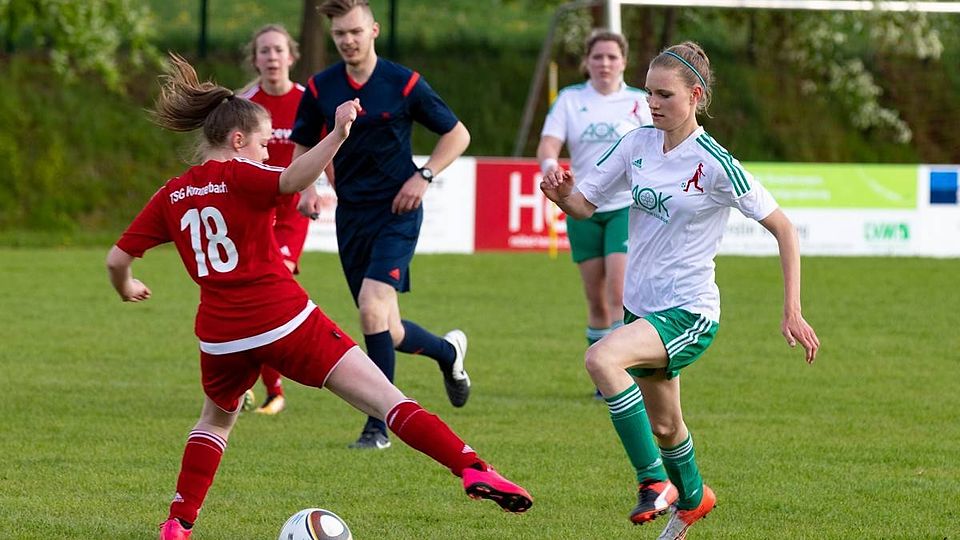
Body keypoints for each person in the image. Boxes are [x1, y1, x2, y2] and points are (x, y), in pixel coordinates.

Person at [106, 53, 533, 540]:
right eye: (264, 144)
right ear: (238, 141)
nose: (267, 153)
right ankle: (471, 467)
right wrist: (339, 132)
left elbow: (117, 260)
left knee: (215, 422)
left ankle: (178, 523)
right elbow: (292, 178)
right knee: (387, 399)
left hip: (221, 337)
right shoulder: (240, 175)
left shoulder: (171, 194)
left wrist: (128, 286)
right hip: (283, 319)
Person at [540, 41, 820, 540]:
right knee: (667, 427)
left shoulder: (715, 164)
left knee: (602, 359)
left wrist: (792, 310)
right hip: (640, 309)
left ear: (695, 96)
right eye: (649, 92)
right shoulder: (636, 144)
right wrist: (563, 196)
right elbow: (584, 205)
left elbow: (784, 228)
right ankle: (693, 499)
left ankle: (654, 480)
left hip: (688, 313)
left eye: (664, 95)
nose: (652, 103)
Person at [291, 0, 473, 450]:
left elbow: (457, 134)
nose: (348, 40)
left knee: (371, 308)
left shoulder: (403, 82)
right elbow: (302, 147)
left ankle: (378, 425)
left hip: (397, 212)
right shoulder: (321, 87)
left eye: (355, 31)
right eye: (340, 34)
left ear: (373, 30)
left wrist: (423, 175)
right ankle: (447, 352)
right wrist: (307, 188)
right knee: (385, 328)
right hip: (352, 216)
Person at [536, 29, 652, 398]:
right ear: (587, 61)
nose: (605, 63)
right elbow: (548, 144)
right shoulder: (571, 100)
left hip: (625, 206)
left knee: (619, 292)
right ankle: (604, 380)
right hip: (581, 205)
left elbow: (658, 146)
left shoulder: (640, 102)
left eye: (612, 57)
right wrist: (551, 167)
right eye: (598, 57)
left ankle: (622, 372)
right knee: (595, 298)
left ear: (624, 62)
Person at [233, 23, 307, 416]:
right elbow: (227, 154)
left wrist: (318, 189)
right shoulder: (244, 105)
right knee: (248, 298)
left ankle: (269, 389)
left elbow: (325, 147)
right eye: (264, 51)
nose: (272, 57)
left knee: (271, 290)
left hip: (291, 213)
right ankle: (260, 386)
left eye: (278, 50)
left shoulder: (308, 100)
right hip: (252, 213)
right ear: (255, 59)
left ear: (291, 56)